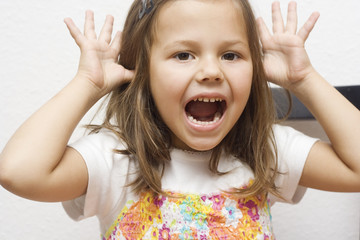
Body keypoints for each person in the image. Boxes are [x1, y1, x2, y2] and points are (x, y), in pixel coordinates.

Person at [0, 0, 359, 239]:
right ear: (142, 69)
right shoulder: (115, 159)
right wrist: (87, 84)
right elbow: (19, 172)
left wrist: (304, 80)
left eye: (231, 55)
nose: (210, 71)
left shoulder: (266, 151)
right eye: (184, 54)